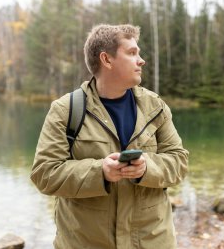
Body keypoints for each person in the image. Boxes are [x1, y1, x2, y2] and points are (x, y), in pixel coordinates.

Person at [31, 24, 189, 249]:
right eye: (132, 53)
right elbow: (44, 174)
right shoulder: (65, 110)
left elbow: (179, 162)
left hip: (152, 242)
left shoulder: (156, 107)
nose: (141, 60)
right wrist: (100, 172)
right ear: (107, 59)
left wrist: (146, 168)